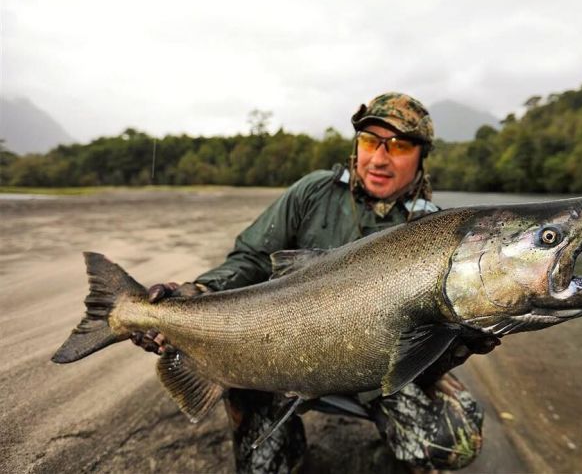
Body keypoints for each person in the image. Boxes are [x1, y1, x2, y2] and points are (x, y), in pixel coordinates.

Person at [131, 92, 499, 473]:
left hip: (381, 375)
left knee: (455, 439)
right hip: (286, 356)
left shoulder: (440, 235)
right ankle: (286, 449)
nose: (379, 158)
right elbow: (252, 257)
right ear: (356, 145)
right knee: (260, 453)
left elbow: (428, 345)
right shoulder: (313, 192)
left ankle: (386, 452)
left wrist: (458, 347)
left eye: (399, 145)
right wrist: (199, 292)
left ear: (422, 155)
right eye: (370, 141)